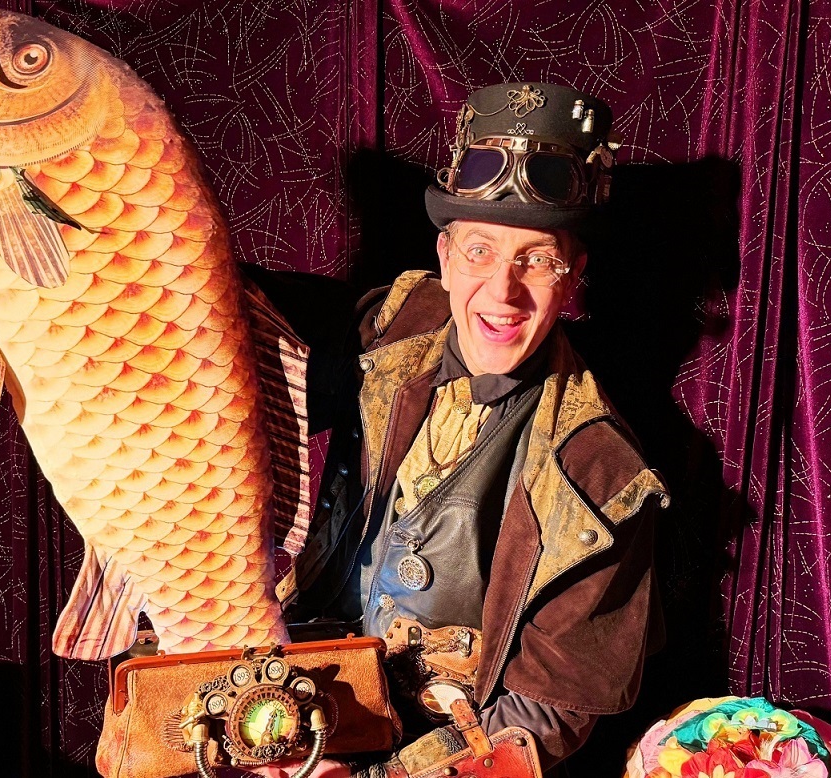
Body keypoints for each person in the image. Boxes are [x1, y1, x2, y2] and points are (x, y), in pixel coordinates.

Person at [276, 82, 670, 778]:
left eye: (537, 259)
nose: (503, 292)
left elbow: (546, 715)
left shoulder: (602, 477)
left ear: (573, 275)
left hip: (432, 754)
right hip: (286, 693)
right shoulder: (391, 326)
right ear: (446, 254)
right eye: (480, 250)